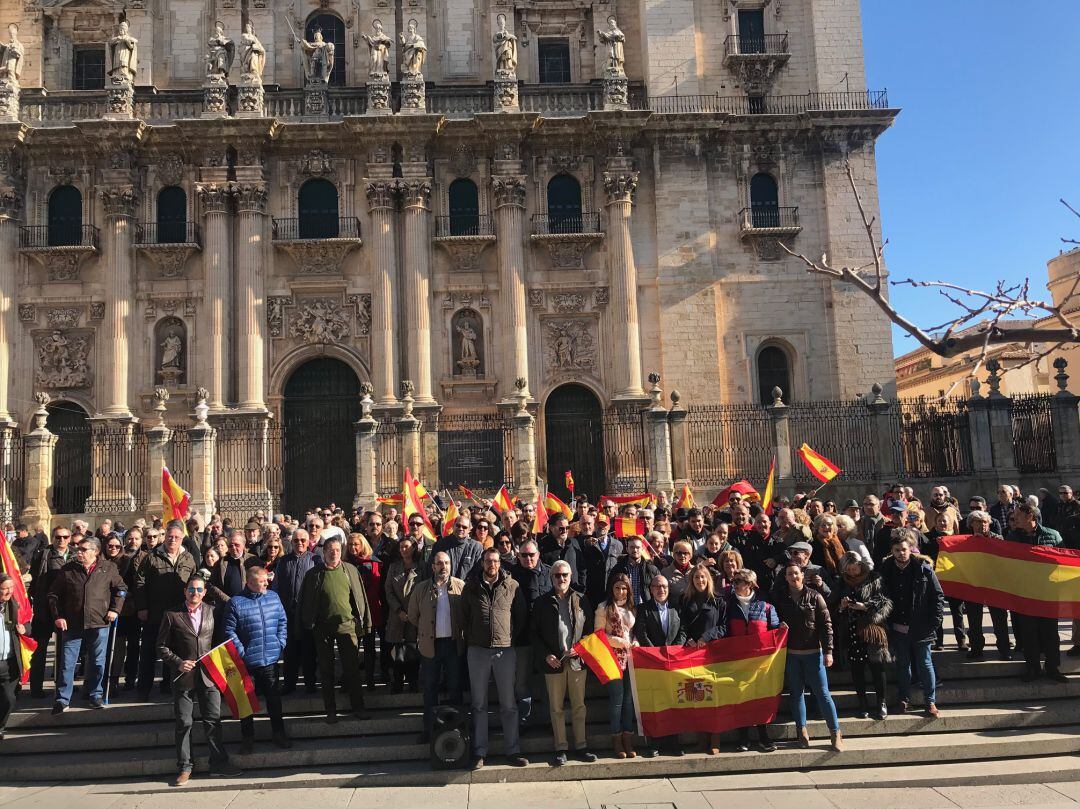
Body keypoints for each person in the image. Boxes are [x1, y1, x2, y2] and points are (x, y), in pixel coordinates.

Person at [157, 574, 240, 785]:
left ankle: (219, 763)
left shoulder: (213, 611)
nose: (195, 593)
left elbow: (220, 639)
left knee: (213, 720)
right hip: (183, 676)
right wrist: (177, 662)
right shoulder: (172, 614)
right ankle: (185, 767)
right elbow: (161, 646)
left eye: (199, 589)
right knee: (184, 722)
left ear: (204, 593)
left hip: (209, 675)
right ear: (185, 591)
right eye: (192, 589)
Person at [461, 547, 528, 769]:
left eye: (496, 561)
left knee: (508, 703)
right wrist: (472, 639)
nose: (492, 565)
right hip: (477, 650)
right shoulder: (471, 587)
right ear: (482, 563)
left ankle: (513, 750)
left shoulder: (512, 586)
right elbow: (463, 617)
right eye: (489, 561)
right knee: (478, 704)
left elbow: (520, 617)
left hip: (504, 650)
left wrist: (509, 638)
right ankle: (480, 751)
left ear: (500, 563)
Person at [298, 536, 372, 723]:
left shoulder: (350, 570)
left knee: (352, 669)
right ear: (324, 552)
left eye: (338, 550)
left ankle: (358, 707)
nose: (334, 553)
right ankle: (330, 710)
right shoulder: (314, 574)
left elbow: (360, 598)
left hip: (347, 626)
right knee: (326, 670)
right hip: (322, 628)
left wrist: (364, 622)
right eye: (330, 550)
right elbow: (304, 601)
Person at [47, 537, 126, 714]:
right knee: (67, 663)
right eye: (78, 549)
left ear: (95, 552)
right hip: (72, 623)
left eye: (84, 549)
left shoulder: (108, 568)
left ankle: (95, 694)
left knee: (98, 662)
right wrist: (58, 616)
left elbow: (121, 589)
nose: (79, 552)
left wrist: (115, 609)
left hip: (99, 623)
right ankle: (62, 699)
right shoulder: (68, 569)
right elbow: (53, 594)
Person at [531, 560, 597, 765]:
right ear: (551, 578)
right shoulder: (542, 602)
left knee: (579, 706)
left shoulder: (582, 599)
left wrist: (581, 649)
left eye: (565, 575)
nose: (561, 579)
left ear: (570, 576)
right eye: (557, 575)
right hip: (554, 662)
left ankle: (581, 746)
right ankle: (561, 747)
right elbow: (534, 634)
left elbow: (590, 631)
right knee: (556, 708)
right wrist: (546, 655)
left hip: (577, 661)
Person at [773, 561, 842, 751]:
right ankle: (801, 732)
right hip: (792, 655)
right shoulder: (781, 598)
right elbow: (773, 620)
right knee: (796, 694)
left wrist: (828, 651)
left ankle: (835, 732)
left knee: (823, 694)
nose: (793, 577)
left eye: (796, 573)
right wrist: (778, 625)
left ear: (802, 575)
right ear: (785, 577)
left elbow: (826, 625)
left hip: (813, 653)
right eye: (790, 574)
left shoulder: (815, 596)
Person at [223, 565, 290, 752]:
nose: (266, 585)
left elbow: (282, 621)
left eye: (266, 581)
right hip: (247, 662)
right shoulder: (236, 603)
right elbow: (229, 631)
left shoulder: (273, 597)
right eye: (261, 582)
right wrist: (241, 652)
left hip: (270, 659)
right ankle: (247, 738)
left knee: (274, 700)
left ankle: (279, 734)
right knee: (246, 702)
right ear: (250, 583)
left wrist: (280, 643)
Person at [879, 529, 945, 715]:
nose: (901, 553)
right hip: (897, 626)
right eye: (897, 550)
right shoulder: (886, 569)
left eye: (904, 549)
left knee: (925, 664)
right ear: (892, 551)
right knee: (903, 665)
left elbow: (938, 596)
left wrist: (934, 622)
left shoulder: (924, 568)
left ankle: (930, 701)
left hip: (921, 626)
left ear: (910, 549)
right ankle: (904, 699)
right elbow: (880, 595)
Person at [135, 520, 199, 699]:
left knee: (174, 653)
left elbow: (193, 582)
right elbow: (140, 583)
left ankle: (168, 687)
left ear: (182, 538)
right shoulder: (151, 556)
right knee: (148, 653)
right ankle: (143, 690)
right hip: (155, 613)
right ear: (164, 537)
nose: (173, 540)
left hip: (179, 615)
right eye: (170, 536)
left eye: (177, 537)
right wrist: (142, 607)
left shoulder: (188, 558)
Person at [1006, 502, 1067, 683]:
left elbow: (1063, 561)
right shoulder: (1012, 537)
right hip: (1025, 592)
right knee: (1028, 632)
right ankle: (1032, 668)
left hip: (1048, 592)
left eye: (1018, 515)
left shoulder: (1053, 535)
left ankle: (1053, 667)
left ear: (1030, 516)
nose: (1015, 518)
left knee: (1050, 632)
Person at [407, 550, 464, 744]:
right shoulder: (421, 588)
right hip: (430, 646)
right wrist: (426, 630)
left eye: (447, 563)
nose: (443, 567)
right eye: (439, 563)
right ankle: (429, 729)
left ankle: (456, 728)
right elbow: (413, 616)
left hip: (453, 645)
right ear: (432, 566)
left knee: (455, 687)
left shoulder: (460, 586)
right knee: (430, 688)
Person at [722, 569, 778, 752]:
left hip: (760, 664)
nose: (734, 584)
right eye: (734, 581)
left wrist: (782, 628)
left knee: (761, 700)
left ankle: (764, 737)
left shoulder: (766, 607)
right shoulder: (728, 606)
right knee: (740, 700)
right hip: (737, 662)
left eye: (738, 581)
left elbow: (775, 630)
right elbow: (724, 630)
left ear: (750, 584)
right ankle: (743, 738)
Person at [834, 552, 892, 720]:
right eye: (849, 569)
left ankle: (881, 702)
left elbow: (884, 601)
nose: (852, 572)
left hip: (872, 628)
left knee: (877, 666)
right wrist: (842, 606)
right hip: (851, 629)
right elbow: (834, 607)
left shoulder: (874, 578)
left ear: (861, 565)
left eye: (855, 568)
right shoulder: (841, 581)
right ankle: (863, 703)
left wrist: (865, 606)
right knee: (857, 668)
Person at [679, 566, 725, 754]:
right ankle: (702, 738)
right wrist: (687, 639)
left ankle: (715, 738)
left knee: (714, 697)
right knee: (698, 697)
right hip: (693, 654)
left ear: (708, 579)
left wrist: (706, 637)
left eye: (703, 577)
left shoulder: (718, 600)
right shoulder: (685, 600)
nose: (700, 580)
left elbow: (723, 626)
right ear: (692, 580)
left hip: (712, 654)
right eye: (696, 577)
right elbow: (682, 624)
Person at [272, 528, 321, 693]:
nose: (299, 543)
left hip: (308, 614)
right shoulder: (283, 561)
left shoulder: (315, 559)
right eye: (296, 540)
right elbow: (276, 586)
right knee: (290, 651)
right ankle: (289, 684)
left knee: (309, 651)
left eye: (302, 540)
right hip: (288, 613)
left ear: (308, 542)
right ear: (291, 542)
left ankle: (310, 683)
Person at [594, 573, 637, 759]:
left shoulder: (631, 607)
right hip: (612, 657)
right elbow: (598, 635)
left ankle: (628, 738)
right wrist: (619, 642)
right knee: (617, 699)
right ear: (612, 588)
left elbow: (633, 631)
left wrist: (635, 641)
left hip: (630, 657)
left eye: (624, 588)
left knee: (628, 700)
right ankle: (617, 739)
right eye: (617, 587)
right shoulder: (603, 607)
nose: (620, 591)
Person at [27, 526, 73, 697]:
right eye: (58, 537)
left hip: (66, 610)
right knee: (40, 650)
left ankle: (61, 685)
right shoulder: (42, 555)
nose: (61, 540)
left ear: (70, 538)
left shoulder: (75, 554)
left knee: (63, 651)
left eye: (65, 537)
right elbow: (34, 579)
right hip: (44, 608)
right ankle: (36, 687)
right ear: (52, 538)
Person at [508, 539, 550, 723]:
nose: (528, 558)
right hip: (521, 637)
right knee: (521, 683)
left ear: (538, 554)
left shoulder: (550, 573)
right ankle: (524, 721)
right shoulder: (510, 576)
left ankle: (548, 720)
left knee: (547, 682)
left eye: (531, 555)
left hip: (545, 639)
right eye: (523, 555)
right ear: (518, 556)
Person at [962, 510, 1011, 660]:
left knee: (999, 619)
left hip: (994, 584)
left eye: (985, 522)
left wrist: (986, 541)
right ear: (971, 524)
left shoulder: (998, 539)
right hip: (974, 584)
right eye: (978, 522)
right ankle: (976, 648)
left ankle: (1004, 649)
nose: (982, 525)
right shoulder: (965, 541)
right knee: (974, 619)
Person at [384, 534, 422, 693]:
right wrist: (398, 610)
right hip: (397, 615)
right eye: (401, 547)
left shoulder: (422, 567)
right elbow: (388, 590)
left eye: (407, 546)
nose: (403, 549)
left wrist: (413, 612)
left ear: (413, 548)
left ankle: (413, 682)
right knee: (397, 653)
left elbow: (425, 591)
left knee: (413, 653)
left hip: (415, 616)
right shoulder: (394, 567)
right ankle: (398, 683)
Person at [0, 573, 27, 740]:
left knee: (9, 699)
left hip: (10, 662)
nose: (9, 591)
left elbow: (28, 624)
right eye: (4, 588)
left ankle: (0, 726)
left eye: (11, 587)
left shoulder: (16, 605)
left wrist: (25, 629)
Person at [431, 514, 484, 580]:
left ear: (469, 530)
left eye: (464, 527)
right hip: (444, 584)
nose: (460, 529)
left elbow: (478, 572)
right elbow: (432, 569)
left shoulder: (476, 548)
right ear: (453, 526)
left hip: (467, 586)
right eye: (458, 526)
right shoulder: (440, 545)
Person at [609, 536, 659, 605]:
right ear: (627, 549)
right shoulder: (618, 569)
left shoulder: (651, 569)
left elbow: (658, 588)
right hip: (624, 607)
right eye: (632, 547)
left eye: (638, 547)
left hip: (645, 608)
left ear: (642, 549)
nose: (635, 550)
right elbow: (610, 590)